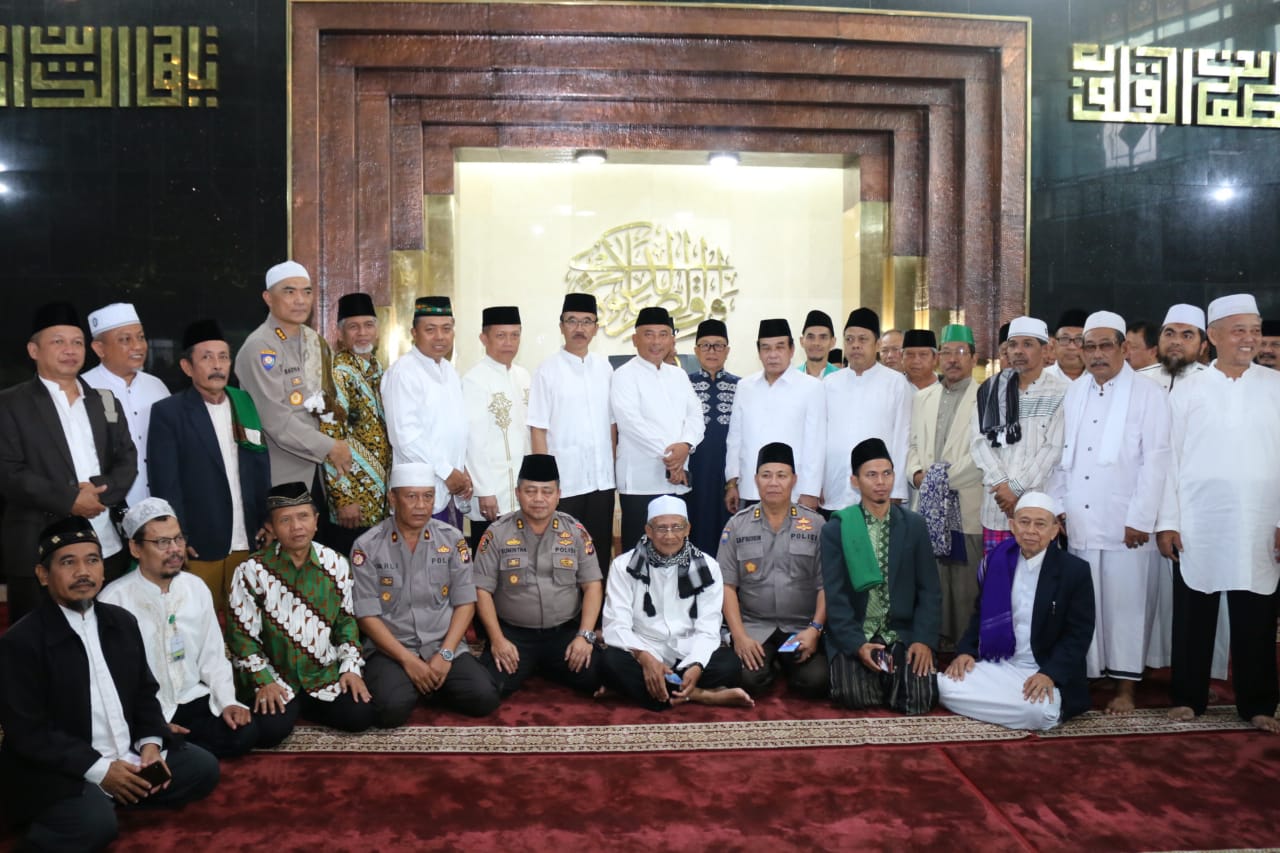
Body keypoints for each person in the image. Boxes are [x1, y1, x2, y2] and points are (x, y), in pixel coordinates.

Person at [0, 517, 219, 851]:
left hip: (126, 752)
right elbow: (29, 732)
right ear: (43, 575)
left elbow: (145, 694)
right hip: (66, 767)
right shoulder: (22, 641)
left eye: (92, 560)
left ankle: (116, 792)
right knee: (96, 826)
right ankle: (99, 799)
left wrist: (150, 744)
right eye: (68, 563)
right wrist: (100, 770)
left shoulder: (121, 622)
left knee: (202, 768)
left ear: (103, 570)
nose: (83, 572)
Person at [1157, 294, 1280, 733]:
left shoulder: (1275, 385)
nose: (1250, 339)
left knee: (1258, 613)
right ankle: (1187, 697)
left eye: (1255, 330)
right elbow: (1169, 458)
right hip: (1198, 519)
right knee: (1194, 612)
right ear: (1213, 335)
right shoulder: (1189, 388)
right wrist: (1167, 522)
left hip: (1260, 519)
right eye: (1239, 330)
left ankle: (1259, 703)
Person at [1049, 311, 1171, 714]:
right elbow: (1063, 457)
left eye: (1106, 346)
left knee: (1127, 608)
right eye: (1090, 347)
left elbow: (1156, 460)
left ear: (1123, 348)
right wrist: (1060, 508)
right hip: (1081, 520)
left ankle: (1126, 688)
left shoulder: (1148, 393)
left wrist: (1141, 518)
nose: (1097, 354)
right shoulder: (1075, 392)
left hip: (1126, 524)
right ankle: (1093, 673)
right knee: (1088, 605)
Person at [99, 499, 271, 757]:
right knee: (163, 749)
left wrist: (228, 702)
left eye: (178, 539)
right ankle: (164, 744)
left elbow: (213, 656)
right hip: (146, 710)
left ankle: (177, 747)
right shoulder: (113, 600)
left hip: (190, 698)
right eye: (162, 542)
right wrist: (149, 725)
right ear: (135, 548)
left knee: (245, 732)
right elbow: (111, 680)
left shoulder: (195, 588)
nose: (175, 550)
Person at [0, 302, 137, 623]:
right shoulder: (10, 404)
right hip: (39, 549)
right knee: (39, 643)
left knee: (105, 636)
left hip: (104, 545)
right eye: (58, 342)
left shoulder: (104, 400)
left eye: (77, 342)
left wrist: (100, 493)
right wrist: (71, 499)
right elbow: (9, 473)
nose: (70, 350)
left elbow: (126, 459)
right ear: (34, 350)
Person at [352, 462, 500, 725]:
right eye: (411, 496)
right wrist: (408, 661)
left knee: (484, 697)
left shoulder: (452, 539)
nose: (421, 505)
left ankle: (427, 683)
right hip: (392, 649)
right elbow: (366, 615)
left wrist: (446, 654)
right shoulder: (368, 545)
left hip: (442, 643)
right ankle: (417, 684)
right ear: (393, 499)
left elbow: (466, 602)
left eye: (428, 496)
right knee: (390, 710)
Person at [227, 482, 375, 735]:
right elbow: (241, 636)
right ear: (272, 528)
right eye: (285, 520)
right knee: (269, 732)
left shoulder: (336, 563)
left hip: (323, 674)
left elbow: (347, 623)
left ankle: (305, 705)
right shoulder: (251, 570)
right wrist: (263, 680)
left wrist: (351, 669)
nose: (296, 527)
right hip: (276, 675)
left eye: (303, 517)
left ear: (316, 521)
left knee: (360, 715)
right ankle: (293, 706)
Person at [938, 492, 1095, 731]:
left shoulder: (1074, 571)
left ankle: (1009, 705)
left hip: (1042, 668)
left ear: (1054, 531)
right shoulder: (998, 561)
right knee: (943, 685)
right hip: (999, 662)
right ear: (1012, 526)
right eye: (1024, 522)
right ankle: (1007, 704)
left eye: (1040, 524)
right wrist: (966, 651)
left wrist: (1049, 674)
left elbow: (1078, 635)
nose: (1031, 530)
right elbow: (980, 614)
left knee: (1038, 712)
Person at [148, 319, 272, 615]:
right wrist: (178, 536)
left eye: (223, 357)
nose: (217, 365)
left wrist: (268, 518)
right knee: (196, 620)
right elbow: (165, 481)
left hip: (248, 538)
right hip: (200, 542)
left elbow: (260, 465)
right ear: (187, 367)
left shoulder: (244, 402)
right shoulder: (169, 412)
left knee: (246, 621)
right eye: (206, 357)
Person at [1136, 304, 1227, 680]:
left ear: (1204, 344)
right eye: (1169, 333)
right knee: (1144, 594)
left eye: (1187, 335)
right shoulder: (1138, 382)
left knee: (1200, 598)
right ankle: (1142, 665)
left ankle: (1202, 674)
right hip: (1143, 508)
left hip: (1197, 511)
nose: (1176, 341)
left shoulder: (1218, 384)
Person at [600, 495, 752, 710]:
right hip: (643, 647)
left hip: (687, 648)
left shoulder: (708, 566)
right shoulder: (623, 566)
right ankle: (702, 695)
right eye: (661, 528)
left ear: (687, 529)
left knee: (730, 665)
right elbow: (616, 624)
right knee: (609, 662)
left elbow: (709, 627)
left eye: (677, 527)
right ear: (649, 531)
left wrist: (697, 664)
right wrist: (645, 658)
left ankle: (649, 691)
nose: (670, 535)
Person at [822, 438, 940, 714]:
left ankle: (892, 674)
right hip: (856, 631)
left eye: (887, 473)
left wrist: (923, 640)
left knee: (919, 700)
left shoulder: (914, 525)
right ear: (855, 481)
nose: (881, 482)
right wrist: (857, 645)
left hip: (901, 631)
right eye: (871, 475)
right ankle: (880, 674)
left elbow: (930, 590)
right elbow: (836, 598)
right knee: (854, 696)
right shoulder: (838, 528)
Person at [473, 454, 603, 697]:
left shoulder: (575, 531)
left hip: (563, 634)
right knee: (485, 691)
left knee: (599, 677)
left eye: (547, 491)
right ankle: (539, 665)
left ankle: (542, 665)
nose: (539, 499)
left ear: (558, 494)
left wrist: (585, 635)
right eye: (530, 491)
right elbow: (481, 590)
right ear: (517, 493)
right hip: (514, 636)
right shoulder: (497, 533)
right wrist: (497, 640)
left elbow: (592, 585)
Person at [234, 261, 354, 502]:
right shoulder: (262, 347)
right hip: (283, 476)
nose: (300, 300)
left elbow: (326, 403)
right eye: (289, 292)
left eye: (306, 292)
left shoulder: (314, 342)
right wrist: (330, 446)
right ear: (268, 298)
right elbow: (275, 421)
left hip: (322, 474)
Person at [718, 443, 828, 698]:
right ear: (756, 480)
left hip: (801, 627)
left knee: (816, 682)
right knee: (748, 680)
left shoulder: (816, 524)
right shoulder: (737, 525)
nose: (774, 483)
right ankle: (774, 663)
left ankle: (783, 663)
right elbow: (726, 586)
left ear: (794, 480)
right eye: (766, 475)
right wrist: (739, 636)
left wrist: (815, 629)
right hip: (755, 627)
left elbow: (826, 584)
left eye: (782, 475)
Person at [907, 324, 984, 652]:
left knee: (963, 584)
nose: (953, 359)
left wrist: (938, 480)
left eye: (961, 352)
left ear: (974, 358)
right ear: (939, 358)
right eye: (947, 352)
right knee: (930, 579)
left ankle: (963, 650)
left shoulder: (985, 397)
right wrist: (916, 474)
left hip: (964, 500)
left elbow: (983, 452)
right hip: (926, 504)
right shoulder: (922, 398)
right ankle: (930, 645)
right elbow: (912, 444)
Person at [528, 292, 617, 568]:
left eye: (587, 321)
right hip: (566, 483)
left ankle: (599, 598)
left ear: (596, 328)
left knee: (599, 554)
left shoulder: (605, 369)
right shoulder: (547, 371)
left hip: (602, 481)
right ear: (561, 326)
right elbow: (538, 429)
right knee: (563, 556)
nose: (579, 328)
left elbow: (612, 424)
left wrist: (613, 466)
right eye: (572, 321)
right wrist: (546, 483)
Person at [970, 316, 1068, 556]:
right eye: (1013, 345)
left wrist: (1014, 489)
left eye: (1027, 344)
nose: (1018, 351)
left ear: (1045, 350)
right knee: (997, 574)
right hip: (997, 508)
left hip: (1038, 509)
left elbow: (1053, 450)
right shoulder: (990, 389)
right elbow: (979, 443)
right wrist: (1003, 486)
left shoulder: (1061, 392)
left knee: (1038, 576)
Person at [611, 306, 705, 553]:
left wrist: (686, 445)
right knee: (639, 554)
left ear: (672, 340)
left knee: (676, 552)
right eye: (648, 334)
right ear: (635, 339)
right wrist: (673, 459)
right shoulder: (623, 375)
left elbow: (696, 416)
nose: (656, 342)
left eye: (663, 334)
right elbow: (632, 424)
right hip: (640, 482)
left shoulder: (679, 375)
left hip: (678, 481)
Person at [382, 295, 473, 529]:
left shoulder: (449, 372)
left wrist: (462, 470)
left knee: (449, 550)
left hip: (450, 490)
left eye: (446, 329)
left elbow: (453, 431)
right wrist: (447, 471)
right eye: (430, 329)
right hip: (418, 494)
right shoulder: (403, 373)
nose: (440, 336)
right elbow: (405, 438)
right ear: (414, 333)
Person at [318, 292, 391, 557]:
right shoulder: (338, 373)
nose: (362, 333)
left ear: (377, 331)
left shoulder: (379, 371)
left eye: (368, 325)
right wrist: (344, 498)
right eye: (353, 327)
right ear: (340, 334)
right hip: (353, 506)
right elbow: (330, 436)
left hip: (381, 500)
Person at [726, 318, 824, 514]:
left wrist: (810, 491)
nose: (772, 355)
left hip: (795, 491)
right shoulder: (745, 387)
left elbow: (816, 444)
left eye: (780, 347)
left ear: (792, 350)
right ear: (759, 352)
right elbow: (735, 438)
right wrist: (731, 482)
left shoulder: (811, 387)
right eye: (766, 348)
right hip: (751, 489)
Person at [821, 308, 913, 515]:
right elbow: (819, 437)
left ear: (877, 344)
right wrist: (817, 483)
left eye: (863, 339)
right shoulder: (829, 383)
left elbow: (902, 438)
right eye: (849, 339)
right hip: (833, 488)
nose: (855, 345)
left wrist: (896, 490)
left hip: (879, 493)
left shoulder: (896, 383)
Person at [82, 302, 170, 508]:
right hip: (107, 504)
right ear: (99, 348)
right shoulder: (83, 389)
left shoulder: (157, 386)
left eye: (140, 337)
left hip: (159, 503)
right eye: (125, 339)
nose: (138, 346)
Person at [463, 305, 532, 549]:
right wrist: (484, 490)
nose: (509, 343)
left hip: (523, 493)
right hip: (492, 495)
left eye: (515, 335)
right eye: (501, 335)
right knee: (489, 560)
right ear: (484, 338)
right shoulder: (474, 380)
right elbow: (473, 441)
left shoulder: (524, 376)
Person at [686, 319, 739, 555]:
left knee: (728, 532)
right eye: (705, 345)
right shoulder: (684, 384)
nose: (712, 351)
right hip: (694, 473)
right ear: (696, 350)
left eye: (718, 345)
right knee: (694, 527)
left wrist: (734, 480)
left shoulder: (741, 386)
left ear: (727, 350)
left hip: (728, 475)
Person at [1044, 309, 1088, 382]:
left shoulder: (1100, 378)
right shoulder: (1038, 379)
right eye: (1064, 339)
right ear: (1054, 345)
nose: (1071, 347)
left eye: (1079, 339)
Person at [797, 309, 840, 378]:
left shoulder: (841, 378)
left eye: (823, 337)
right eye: (810, 337)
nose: (816, 343)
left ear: (832, 342)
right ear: (801, 341)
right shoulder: (792, 378)